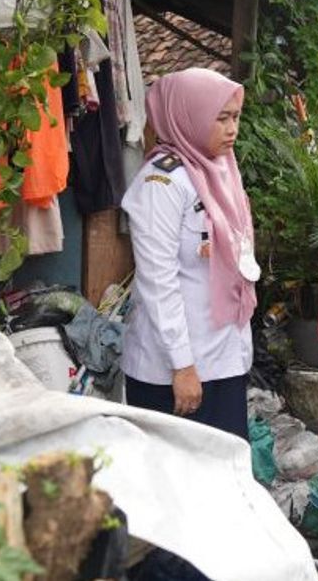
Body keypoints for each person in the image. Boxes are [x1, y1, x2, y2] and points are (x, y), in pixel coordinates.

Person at [121, 68, 258, 441]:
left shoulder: (220, 171)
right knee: (175, 487)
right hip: (175, 372)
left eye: (236, 117)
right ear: (189, 116)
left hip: (221, 360)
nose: (232, 129)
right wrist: (182, 365)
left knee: (224, 479)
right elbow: (157, 281)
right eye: (221, 118)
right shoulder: (161, 182)